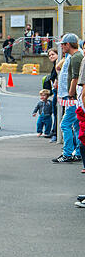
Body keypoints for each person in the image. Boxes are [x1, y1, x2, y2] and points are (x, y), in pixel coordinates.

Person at [54, 34, 82, 163]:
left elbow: (75, 78)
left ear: (68, 44)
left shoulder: (76, 57)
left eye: (63, 44)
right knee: (76, 125)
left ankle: (68, 153)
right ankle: (78, 152)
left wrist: (70, 94)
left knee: (65, 124)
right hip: (77, 97)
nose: (61, 47)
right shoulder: (74, 56)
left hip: (75, 97)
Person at [44, 48, 59, 140]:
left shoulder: (58, 64)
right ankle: (54, 131)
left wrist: (55, 80)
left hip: (57, 91)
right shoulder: (55, 64)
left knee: (57, 112)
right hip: (54, 90)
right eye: (49, 55)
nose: (51, 56)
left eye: (53, 54)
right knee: (55, 112)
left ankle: (55, 132)